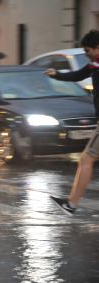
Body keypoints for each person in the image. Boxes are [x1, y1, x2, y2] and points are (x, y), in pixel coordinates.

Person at [45, 29, 99, 215]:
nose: (86, 55)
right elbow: (77, 75)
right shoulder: (94, 64)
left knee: (86, 159)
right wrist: (56, 74)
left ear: (97, 48)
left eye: (88, 51)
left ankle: (71, 204)